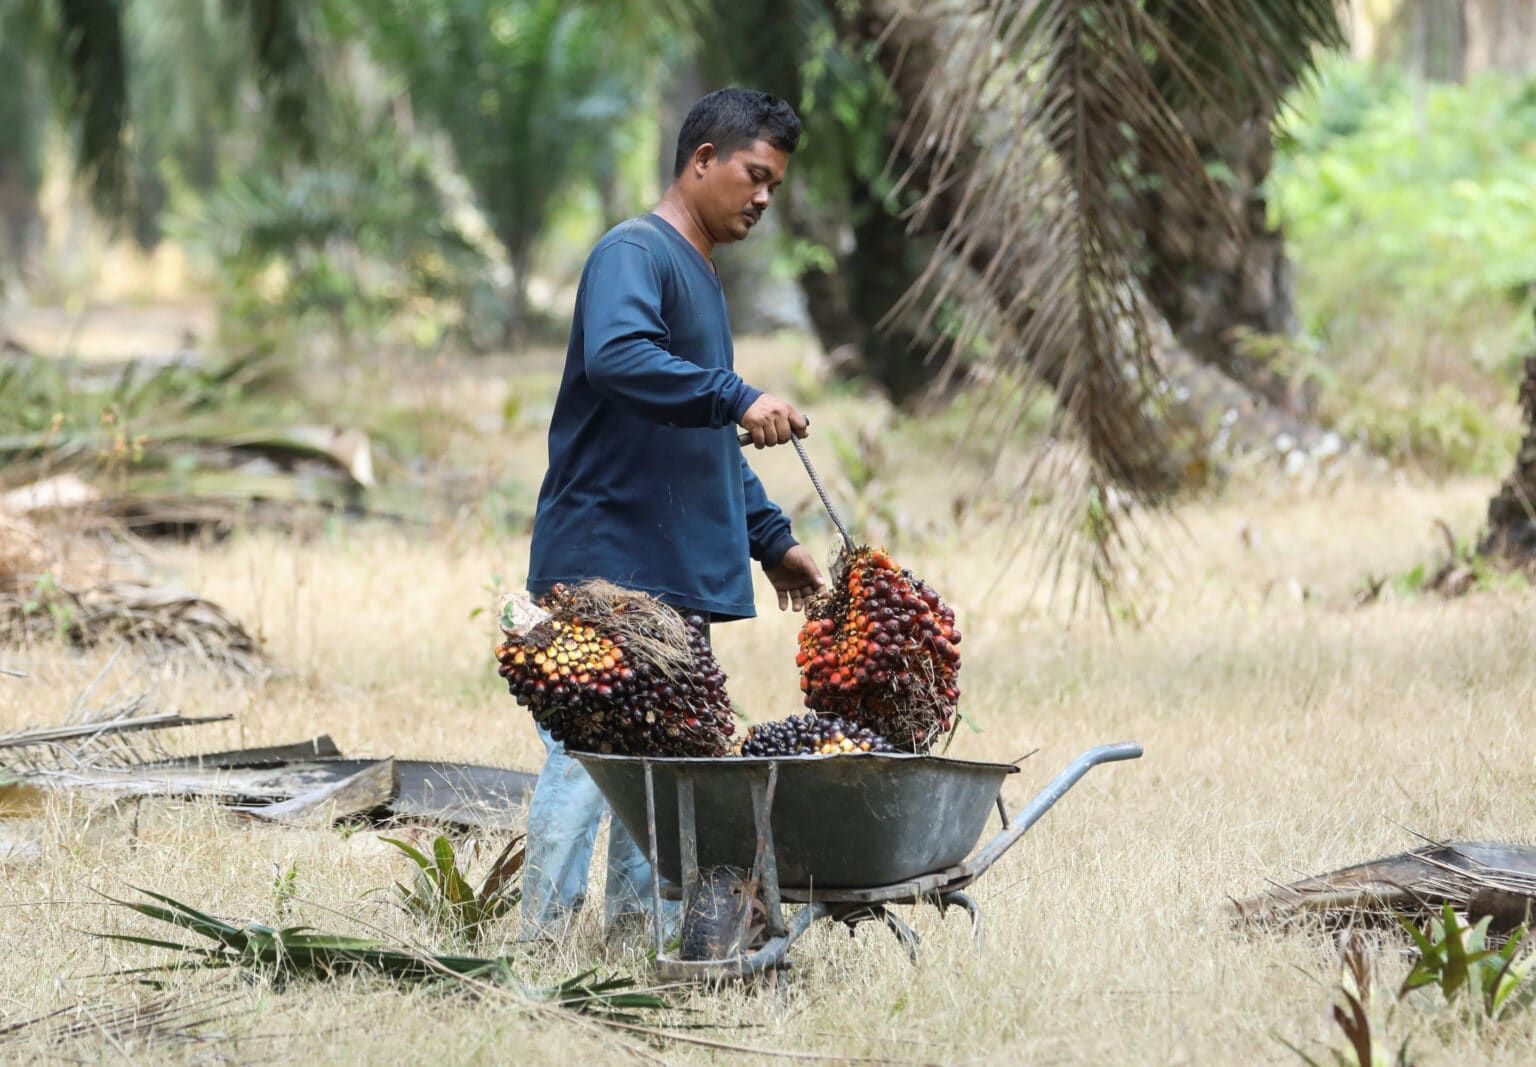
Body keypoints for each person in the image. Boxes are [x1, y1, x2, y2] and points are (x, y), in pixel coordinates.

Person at [520, 88, 826, 937]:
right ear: (702, 161)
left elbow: (703, 443)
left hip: (669, 571)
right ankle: (539, 945)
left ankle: (631, 942)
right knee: (588, 760)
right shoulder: (634, 252)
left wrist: (772, 540)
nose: (764, 197)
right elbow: (620, 358)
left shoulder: (698, 272)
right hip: (606, 566)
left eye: (775, 185)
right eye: (753, 175)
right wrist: (736, 392)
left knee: (655, 770)